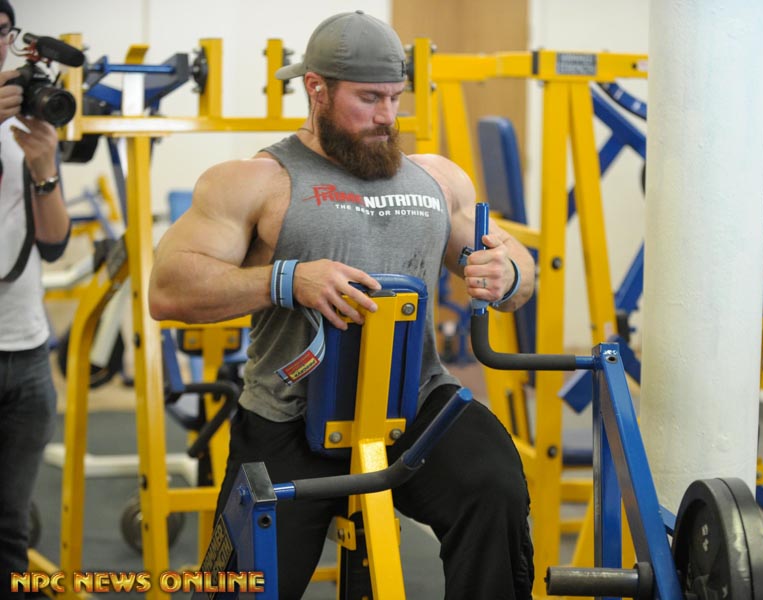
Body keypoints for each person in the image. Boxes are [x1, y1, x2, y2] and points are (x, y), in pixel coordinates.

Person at [149, 10, 536, 599]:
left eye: (395, 98)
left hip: (412, 404)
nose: (387, 116)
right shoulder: (256, 181)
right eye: (369, 99)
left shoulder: (435, 178)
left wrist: (506, 274)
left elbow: (517, 266)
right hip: (290, 416)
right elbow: (168, 289)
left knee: (495, 486)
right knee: (239, 586)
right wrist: (287, 279)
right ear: (317, 90)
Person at [0, 1, 71, 596]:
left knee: (9, 529)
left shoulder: (26, 123)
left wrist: (45, 166)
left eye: (1, 33)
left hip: (25, 356)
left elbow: (52, 244)